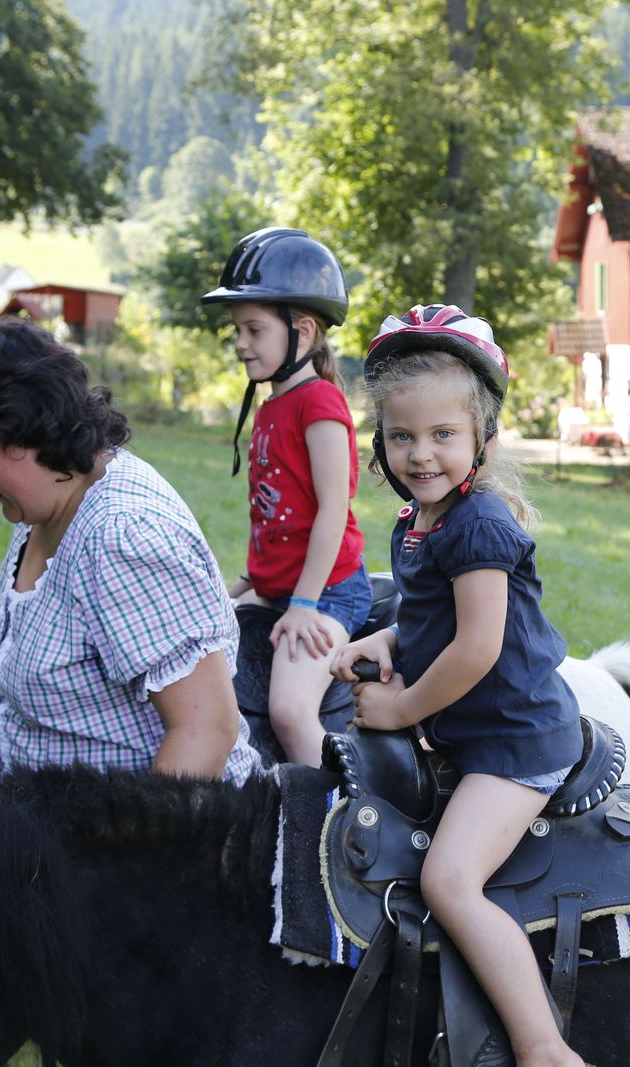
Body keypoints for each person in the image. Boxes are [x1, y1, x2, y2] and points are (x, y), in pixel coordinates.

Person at [331, 305, 585, 1067]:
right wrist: (386, 636)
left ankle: (542, 1045)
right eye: (403, 435)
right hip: (471, 730)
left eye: (443, 434)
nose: (421, 452)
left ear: (482, 437)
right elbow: (435, 620)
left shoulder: (478, 524)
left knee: (449, 879)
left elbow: (478, 645)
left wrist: (404, 706)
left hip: (516, 740)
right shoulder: (419, 521)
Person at [0, 317, 261, 784]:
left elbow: (205, 732)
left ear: (24, 431)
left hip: (146, 839)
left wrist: (126, 851)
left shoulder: (122, 536)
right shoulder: (49, 502)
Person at [200, 227, 370, 765]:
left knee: (290, 712)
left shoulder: (319, 404)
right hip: (278, 588)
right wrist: (250, 579)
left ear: (302, 331)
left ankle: (337, 817)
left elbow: (330, 512)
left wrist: (302, 605)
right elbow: (273, 508)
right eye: (237, 330)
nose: (241, 343)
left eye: (253, 329)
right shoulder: (272, 406)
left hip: (326, 593)